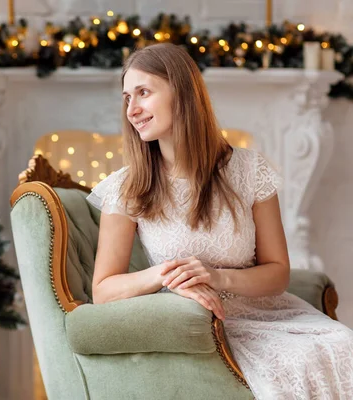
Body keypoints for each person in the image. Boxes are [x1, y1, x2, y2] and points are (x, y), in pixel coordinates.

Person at [85, 43, 353, 400]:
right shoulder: (126, 187)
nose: (132, 110)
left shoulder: (248, 170)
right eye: (126, 98)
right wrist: (169, 274)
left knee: (342, 344)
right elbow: (103, 290)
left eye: (143, 93)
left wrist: (218, 277)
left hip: (270, 315)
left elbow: (278, 273)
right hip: (199, 323)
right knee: (295, 363)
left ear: (181, 93)